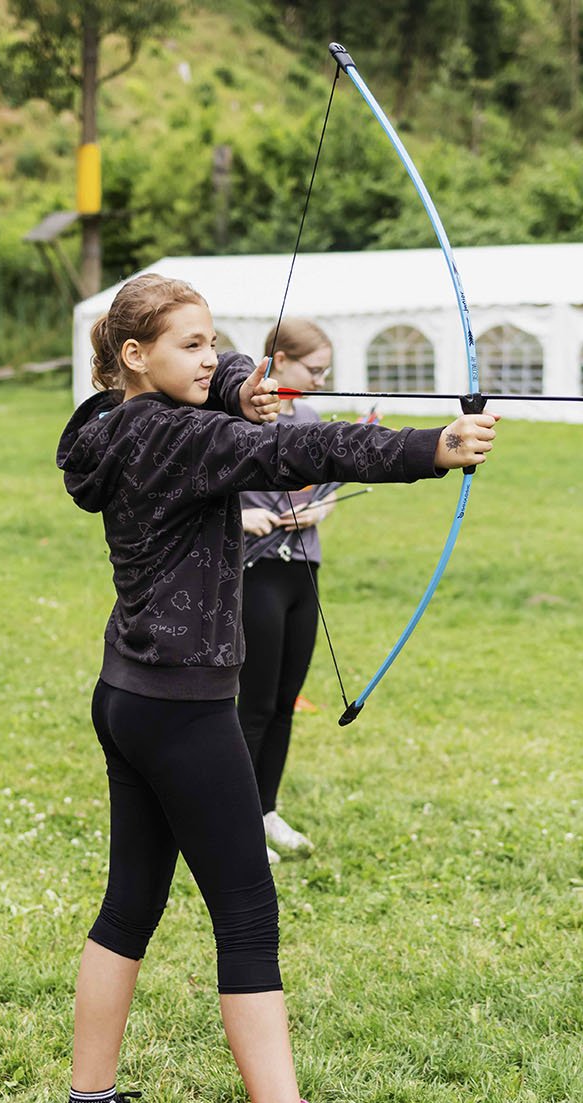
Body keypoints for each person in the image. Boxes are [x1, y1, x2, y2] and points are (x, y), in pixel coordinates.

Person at [52, 274, 496, 1103]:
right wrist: (431, 446)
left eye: (214, 341)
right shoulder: (178, 437)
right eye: (191, 344)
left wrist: (235, 378)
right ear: (134, 354)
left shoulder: (109, 422)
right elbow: (296, 447)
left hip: (128, 693)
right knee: (248, 915)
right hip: (185, 710)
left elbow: (219, 394)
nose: (210, 356)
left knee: (131, 901)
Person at [239, 318, 343, 865]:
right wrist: (241, 516)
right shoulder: (235, 415)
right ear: (279, 361)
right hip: (255, 569)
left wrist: (321, 507)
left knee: (284, 701)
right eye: (313, 370)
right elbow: (200, 485)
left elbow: (327, 482)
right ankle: (235, 823)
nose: (320, 381)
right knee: (254, 704)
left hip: (302, 568)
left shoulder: (309, 417)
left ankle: (265, 809)